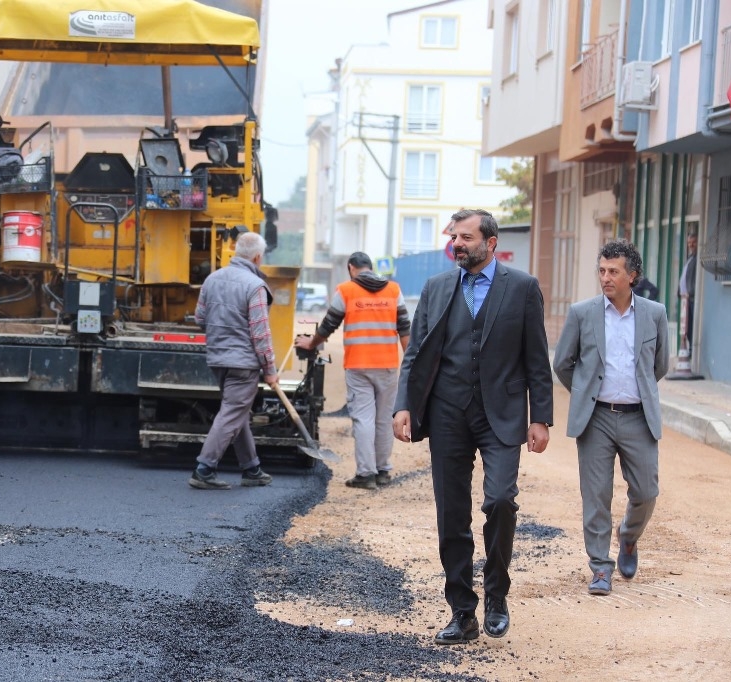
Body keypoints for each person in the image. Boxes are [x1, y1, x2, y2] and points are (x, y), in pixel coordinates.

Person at [392, 209, 553, 644]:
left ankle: (496, 594)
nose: (457, 244)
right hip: (447, 412)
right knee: (451, 514)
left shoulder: (522, 288)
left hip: (501, 412)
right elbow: (416, 353)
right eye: (454, 237)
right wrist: (404, 405)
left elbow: (537, 358)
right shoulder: (437, 287)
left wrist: (540, 417)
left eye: (466, 237)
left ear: (491, 242)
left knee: (500, 500)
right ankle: (462, 612)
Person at [553, 239, 669, 596]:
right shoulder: (582, 313)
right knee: (596, 496)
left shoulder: (654, 313)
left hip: (638, 417)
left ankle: (628, 537)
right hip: (596, 419)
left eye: (613, 271)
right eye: (602, 270)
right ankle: (601, 568)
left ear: (632, 276)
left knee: (647, 491)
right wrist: (586, 392)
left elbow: (660, 365)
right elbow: (563, 363)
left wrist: (637, 391)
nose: (605, 277)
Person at [295, 252, 410, 489]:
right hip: (388, 365)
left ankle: (366, 474)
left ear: (351, 267)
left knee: (364, 419)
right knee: (384, 419)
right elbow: (405, 328)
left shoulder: (346, 290)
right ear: (370, 266)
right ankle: (383, 470)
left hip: (359, 365)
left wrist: (311, 343)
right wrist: (410, 362)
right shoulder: (393, 290)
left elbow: (329, 325)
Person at [189, 232, 276, 490]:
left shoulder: (212, 279)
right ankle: (204, 469)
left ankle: (251, 468)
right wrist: (270, 369)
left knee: (237, 412)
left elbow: (200, 318)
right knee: (232, 413)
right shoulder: (255, 286)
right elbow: (260, 332)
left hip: (218, 358)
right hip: (243, 363)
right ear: (257, 257)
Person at [678, 232, 697, 349]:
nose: (691, 245)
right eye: (689, 243)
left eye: (694, 242)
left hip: (692, 297)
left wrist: (692, 291)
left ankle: (691, 349)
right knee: (686, 326)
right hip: (685, 298)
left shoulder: (697, 258)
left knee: (692, 325)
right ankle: (688, 348)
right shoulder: (690, 257)